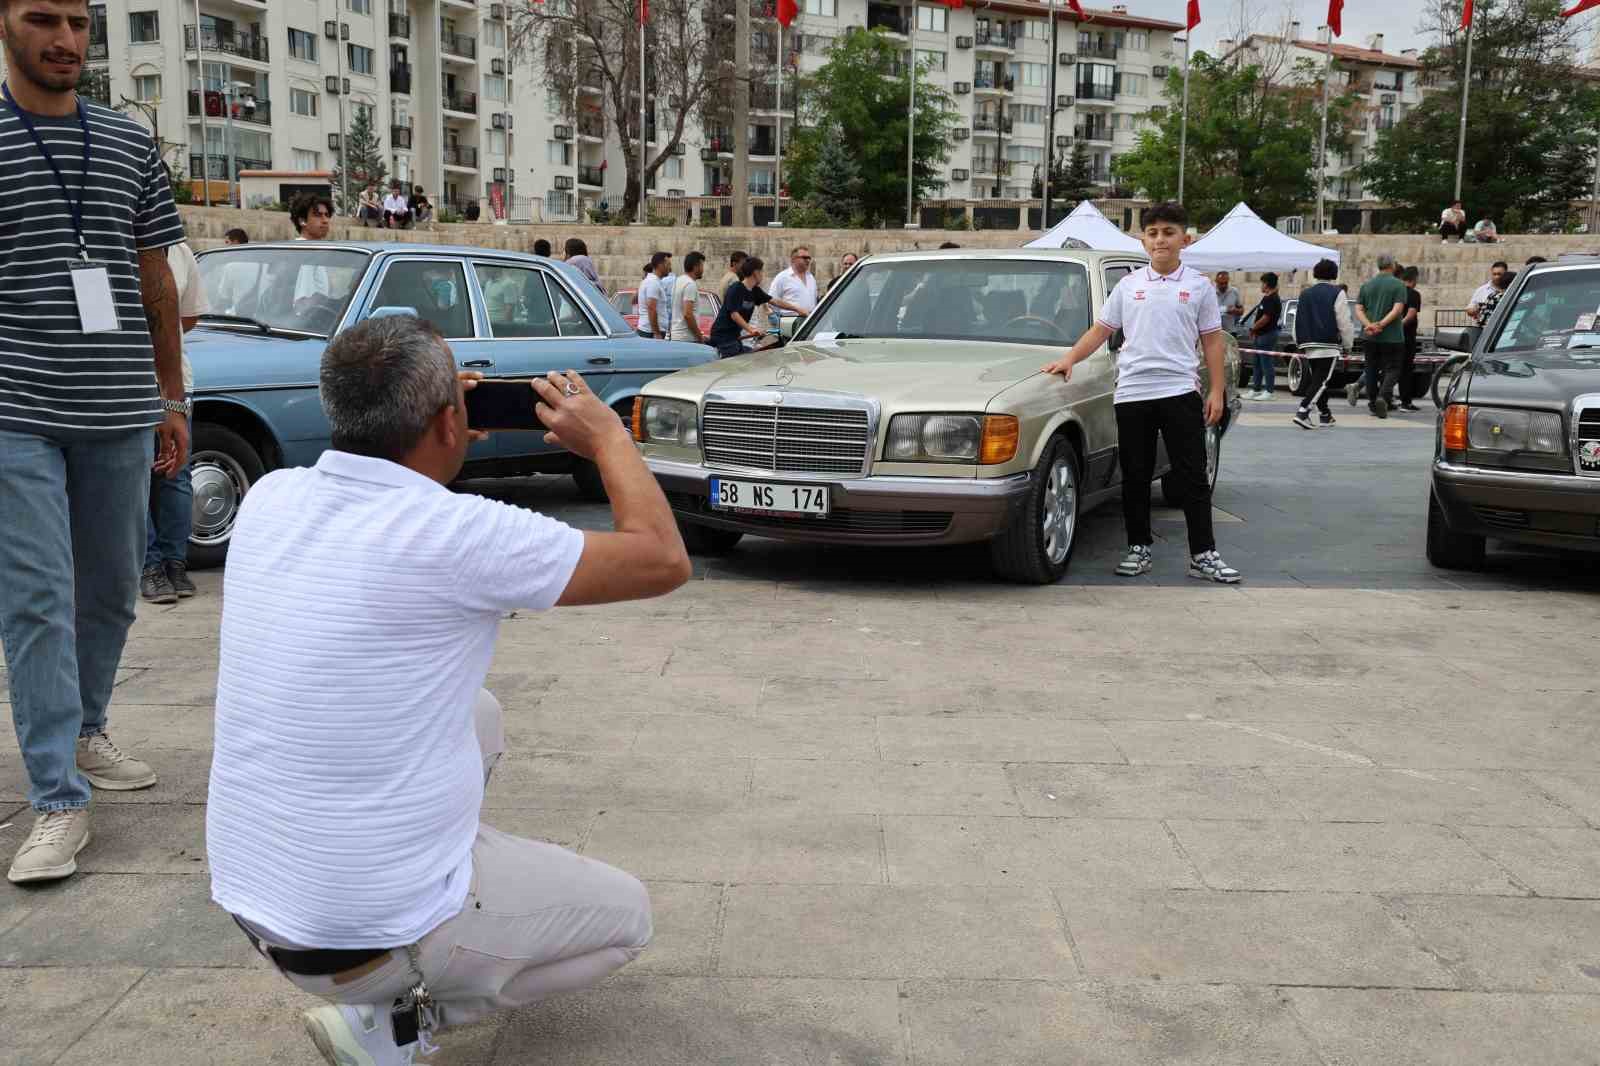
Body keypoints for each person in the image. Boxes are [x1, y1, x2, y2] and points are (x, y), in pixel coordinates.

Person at [207, 314, 690, 1064]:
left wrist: (439, 430)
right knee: (629, 920)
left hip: (255, 903)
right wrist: (608, 440)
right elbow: (661, 558)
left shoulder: (271, 497)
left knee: (479, 713)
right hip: (370, 935)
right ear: (444, 421)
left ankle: (423, 913)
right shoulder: (461, 532)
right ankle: (396, 1024)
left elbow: (394, 498)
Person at [0, 0, 190, 883]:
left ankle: (85, 728)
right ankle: (56, 798)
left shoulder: (126, 142)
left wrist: (170, 394)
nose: (66, 40)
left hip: (117, 405)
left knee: (111, 590)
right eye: (44, 19)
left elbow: (155, 280)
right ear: (6, 23)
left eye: (79, 23)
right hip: (16, 408)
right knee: (38, 598)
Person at [1041, 202, 1240, 584]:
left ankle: (1204, 555)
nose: (1160, 240)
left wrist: (1217, 391)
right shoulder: (1129, 286)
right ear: (1143, 241)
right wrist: (1069, 359)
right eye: (1153, 233)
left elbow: (1212, 341)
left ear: (1185, 239)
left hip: (1180, 391)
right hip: (1133, 394)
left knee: (1192, 476)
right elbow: (1100, 330)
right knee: (1135, 475)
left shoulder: (1198, 286)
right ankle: (1138, 548)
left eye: (1168, 233)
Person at [141, 241, 208, 604]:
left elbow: (187, 317)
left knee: (175, 472)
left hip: (175, 380)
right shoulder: (113, 242)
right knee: (135, 476)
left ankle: (174, 564)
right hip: (129, 383)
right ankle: (149, 566)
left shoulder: (180, 252)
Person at [1291, 258, 1354, 430]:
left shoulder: (1305, 294)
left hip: (1308, 343)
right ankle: (1303, 411)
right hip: (1328, 343)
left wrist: (1298, 341)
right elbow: (1344, 321)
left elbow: (1298, 319)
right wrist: (1348, 344)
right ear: (1334, 274)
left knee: (1318, 380)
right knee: (1321, 381)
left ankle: (1325, 414)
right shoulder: (1337, 293)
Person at [707, 255, 805, 358]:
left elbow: (775, 301)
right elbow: (734, 314)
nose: (763, 275)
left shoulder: (755, 291)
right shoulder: (736, 289)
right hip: (723, 338)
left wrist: (797, 309)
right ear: (756, 272)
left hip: (734, 338)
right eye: (762, 271)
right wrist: (751, 330)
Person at [1355, 253, 1408, 419]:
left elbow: (1359, 309)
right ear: (1393, 265)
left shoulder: (1367, 285)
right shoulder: (1399, 285)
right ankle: (1383, 396)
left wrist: (1369, 325)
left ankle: (1372, 402)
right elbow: (1397, 309)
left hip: (1369, 335)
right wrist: (1381, 324)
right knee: (1393, 368)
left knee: (1370, 368)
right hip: (1392, 336)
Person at [1244, 273, 1282, 401]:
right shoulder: (1267, 297)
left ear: (1266, 284)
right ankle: (1256, 389)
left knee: (1266, 363)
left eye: (1262, 283)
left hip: (1267, 334)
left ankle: (1269, 391)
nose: (1261, 285)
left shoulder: (1272, 298)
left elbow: (1266, 318)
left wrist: (1253, 327)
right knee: (1257, 363)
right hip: (1260, 334)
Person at [1397, 265, 1423, 412]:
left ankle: (1385, 398)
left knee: (1391, 368)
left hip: (1392, 337)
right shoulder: (1414, 294)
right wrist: (1399, 326)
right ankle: (1405, 402)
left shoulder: (1396, 292)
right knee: (1406, 369)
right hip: (1407, 336)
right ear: (1414, 279)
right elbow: (1411, 314)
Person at [768, 245, 819, 315]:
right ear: (793, 259)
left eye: (809, 258)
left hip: (810, 318)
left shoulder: (811, 277)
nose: (808, 260)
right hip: (790, 319)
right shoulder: (782, 277)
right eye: (804, 258)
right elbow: (772, 300)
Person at [671, 250, 707, 344]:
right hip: (686, 338)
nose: (703, 269)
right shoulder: (690, 284)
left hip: (677, 336)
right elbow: (688, 314)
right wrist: (699, 337)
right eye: (702, 266)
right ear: (695, 267)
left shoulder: (678, 280)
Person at [637, 251, 671, 338]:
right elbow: (651, 308)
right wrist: (657, 333)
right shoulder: (653, 282)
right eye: (668, 264)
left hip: (651, 331)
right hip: (650, 332)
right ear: (660, 265)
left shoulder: (654, 281)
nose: (670, 268)